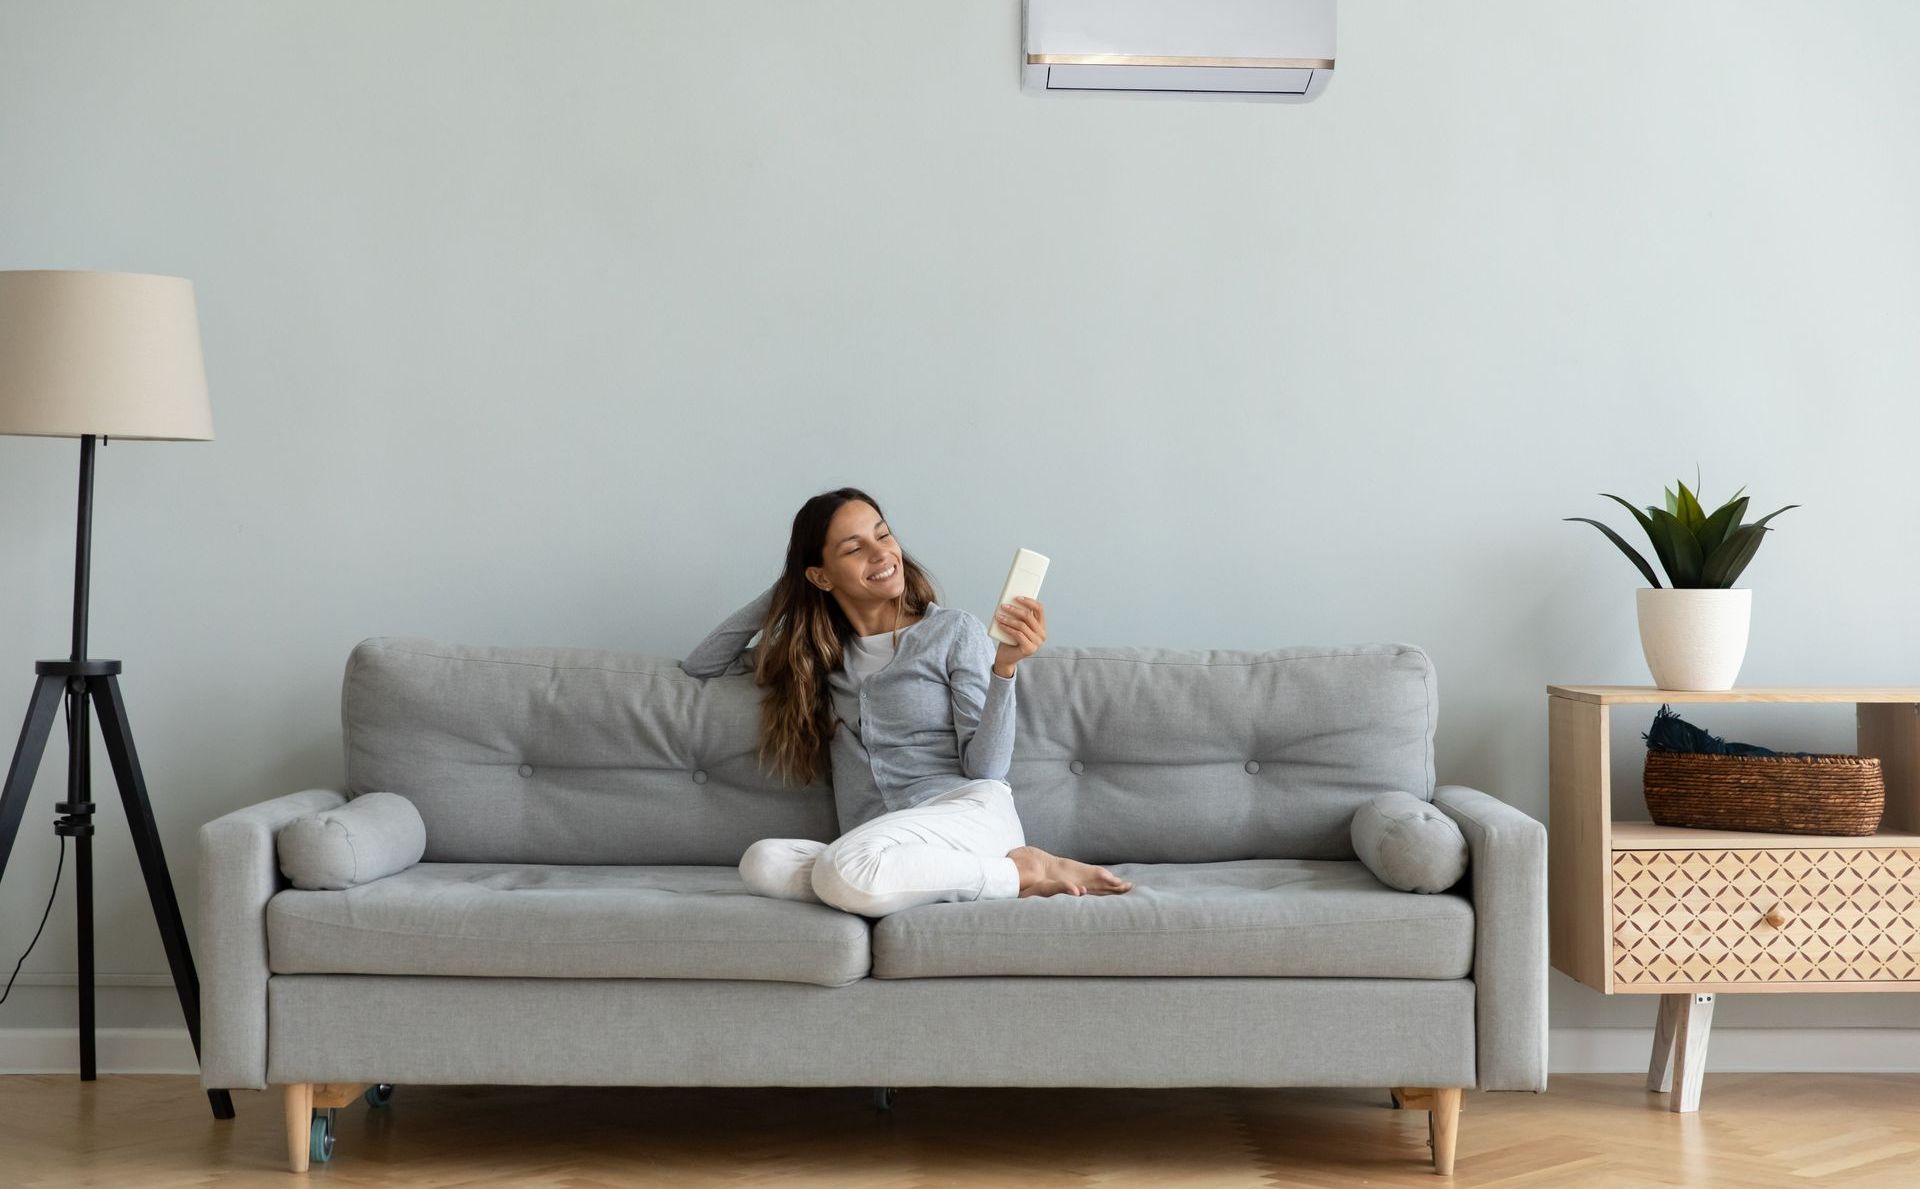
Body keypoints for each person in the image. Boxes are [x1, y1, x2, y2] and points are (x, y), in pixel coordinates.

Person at [680, 486, 1133, 916]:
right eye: (854, 549)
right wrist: (788, 593)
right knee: (762, 862)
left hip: (965, 816)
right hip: (884, 845)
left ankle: (1018, 870)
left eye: (883, 534)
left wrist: (1004, 668)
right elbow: (703, 663)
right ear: (820, 575)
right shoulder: (816, 656)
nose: (881, 554)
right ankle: (918, 884)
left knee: (843, 869)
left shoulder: (952, 631)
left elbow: (987, 769)